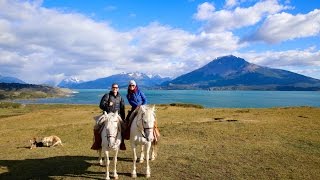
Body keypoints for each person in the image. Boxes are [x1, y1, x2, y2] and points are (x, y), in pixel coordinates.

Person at [91, 83, 126, 150]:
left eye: (116, 87)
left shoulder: (120, 97)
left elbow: (122, 108)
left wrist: (123, 119)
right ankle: (97, 143)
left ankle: (122, 144)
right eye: (113, 87)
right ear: (111, 88)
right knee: (97, 126)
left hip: (116, 116)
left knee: (123, 127)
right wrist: (108, 105)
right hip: (107, 115)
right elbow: (101, 105)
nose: (115, 89)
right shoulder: (107, 95)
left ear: (118, 89)